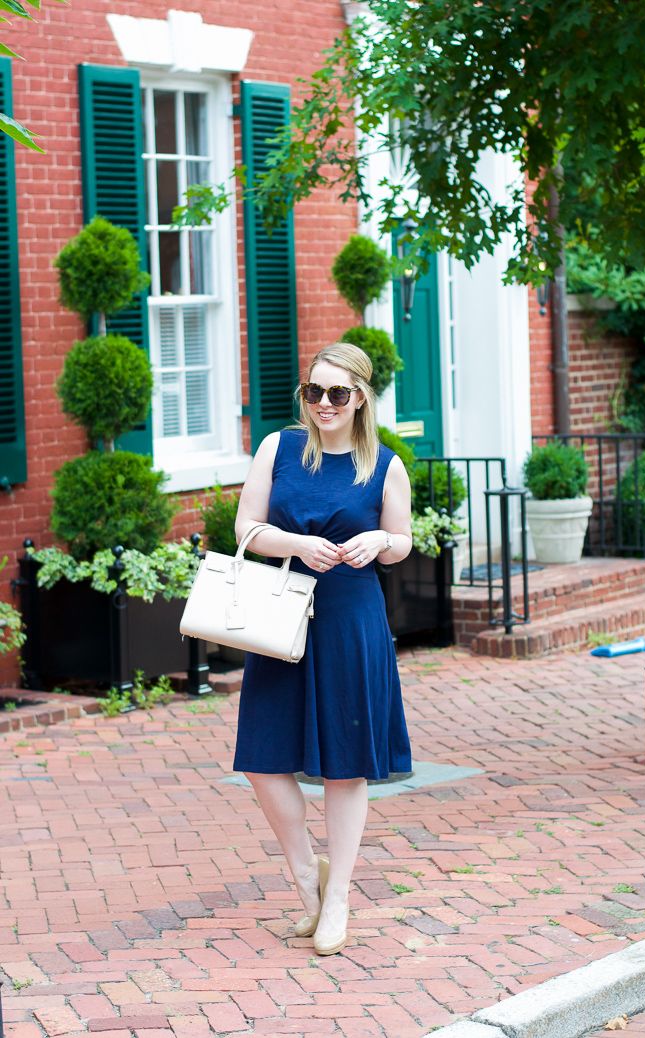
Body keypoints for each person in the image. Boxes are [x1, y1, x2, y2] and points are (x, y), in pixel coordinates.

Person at [233, 342, 413, 956]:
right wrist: (294, 544)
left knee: (344, 763)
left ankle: (338, 899)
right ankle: (307, 876)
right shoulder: (278, 448)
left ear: (360, 397)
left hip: (349, 617)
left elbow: (403, 541)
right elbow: (246, 528)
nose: (324, 404)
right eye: (314, 392)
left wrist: (378, 541)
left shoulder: (385, 465)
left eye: (338, 393)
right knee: (262, 757)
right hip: (281, 610)